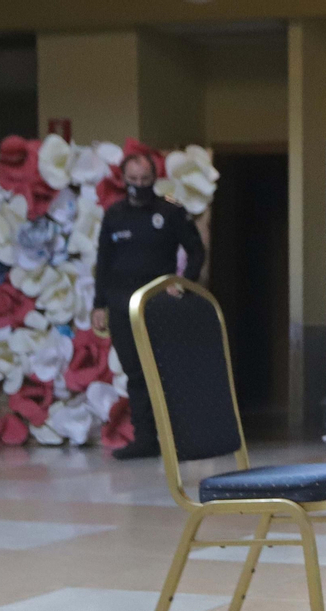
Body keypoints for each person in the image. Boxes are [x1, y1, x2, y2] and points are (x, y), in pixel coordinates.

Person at [92, 153, 205, 460]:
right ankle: (145, 439)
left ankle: (182, 439)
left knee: (168, 371)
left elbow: (196, 252)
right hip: (122, 306)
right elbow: (103, 263)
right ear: (123, 179)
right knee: (136, 373)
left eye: (145, 180)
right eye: (133, 180)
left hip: (160, 305)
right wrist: (99, 304)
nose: (139, 186)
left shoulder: (170, 212)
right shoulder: (114, 215)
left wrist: (183, 283)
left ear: (154, 180)